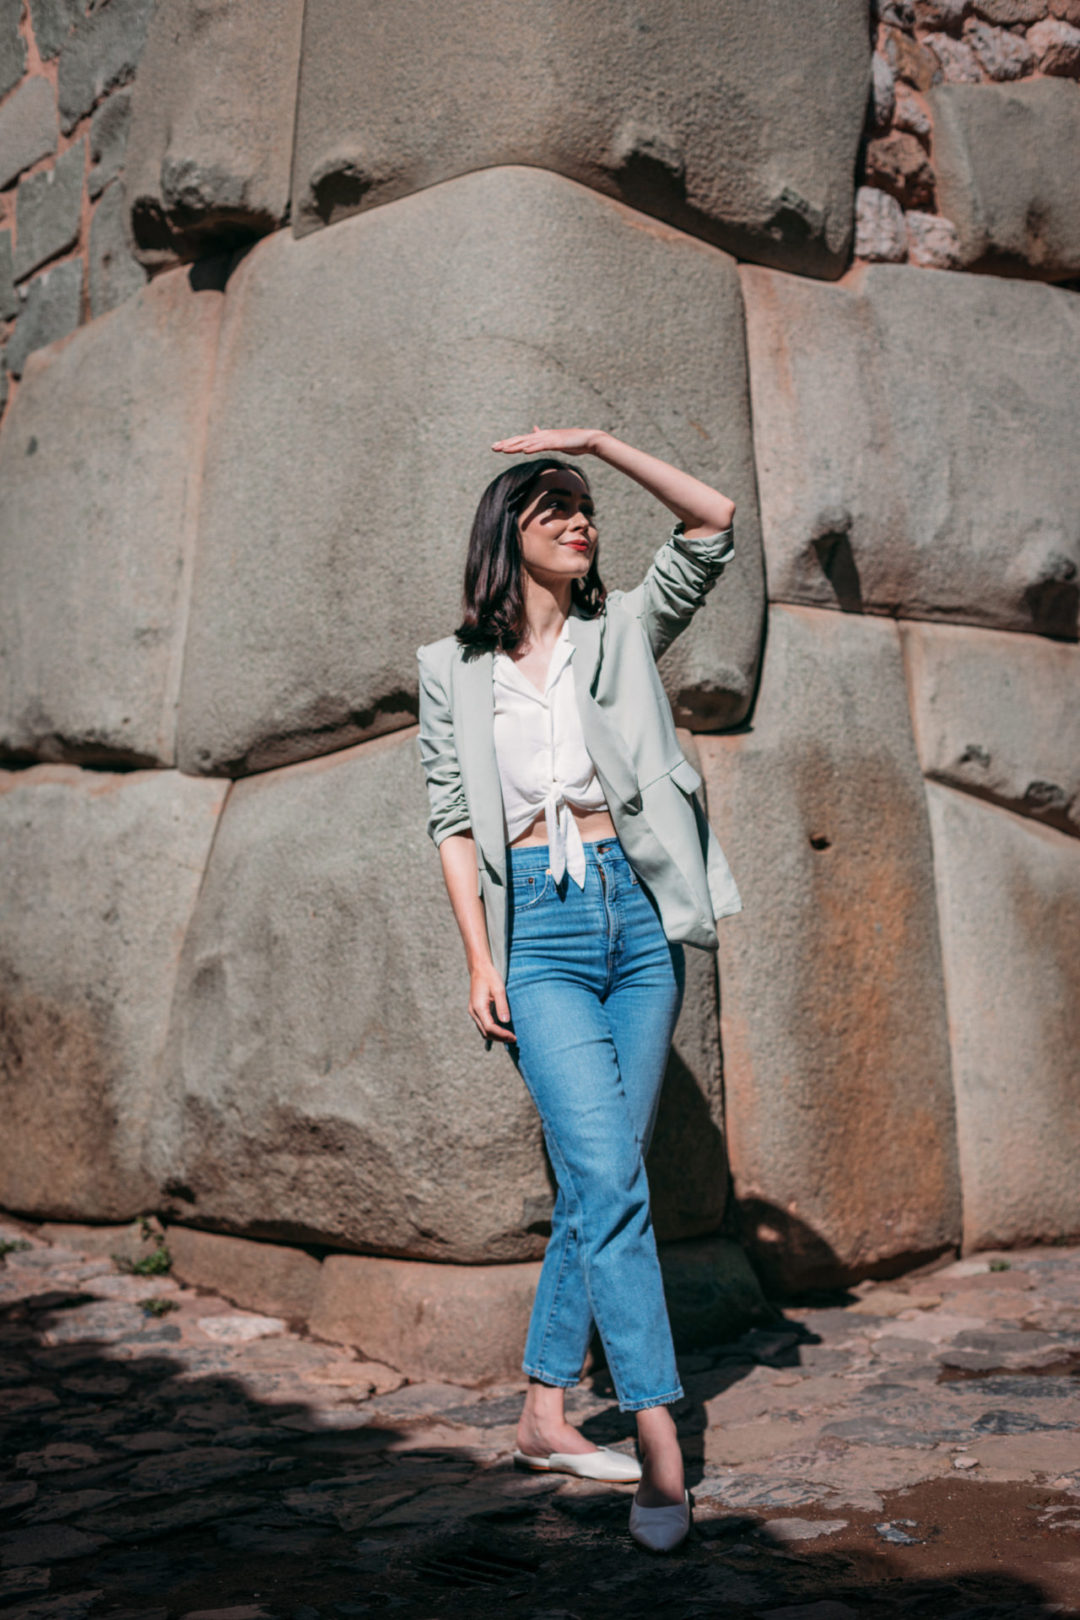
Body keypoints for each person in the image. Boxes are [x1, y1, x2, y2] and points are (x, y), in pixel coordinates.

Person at [416, 427, 742, 1552]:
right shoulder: (449, 671)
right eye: (553, 506)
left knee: (608, 1182)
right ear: (506, 533)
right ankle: (659, 1438)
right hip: (541, 937)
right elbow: (454, 823)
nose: (578, 520)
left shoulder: (623, 631)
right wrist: (478, 958)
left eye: (585, 506)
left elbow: (714, 522)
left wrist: (599, 441)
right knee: (605, 1172)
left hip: (638, 923)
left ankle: (545, 1415)